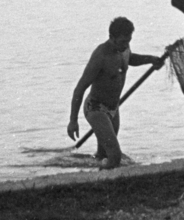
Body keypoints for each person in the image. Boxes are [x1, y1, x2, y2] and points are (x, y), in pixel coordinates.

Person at [66, 17, 165, 169]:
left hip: (113, 109)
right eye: (122, 41)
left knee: (103, 155)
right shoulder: (100, 56)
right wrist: (73, 121)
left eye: (128, 41)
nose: (125, 45)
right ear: (111, 37)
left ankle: (99, 178)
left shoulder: (124, 48)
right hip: (96, 108)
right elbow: (80, 88)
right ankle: (108, 180)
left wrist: (151, 59)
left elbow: (130, 58)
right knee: (115, 155)